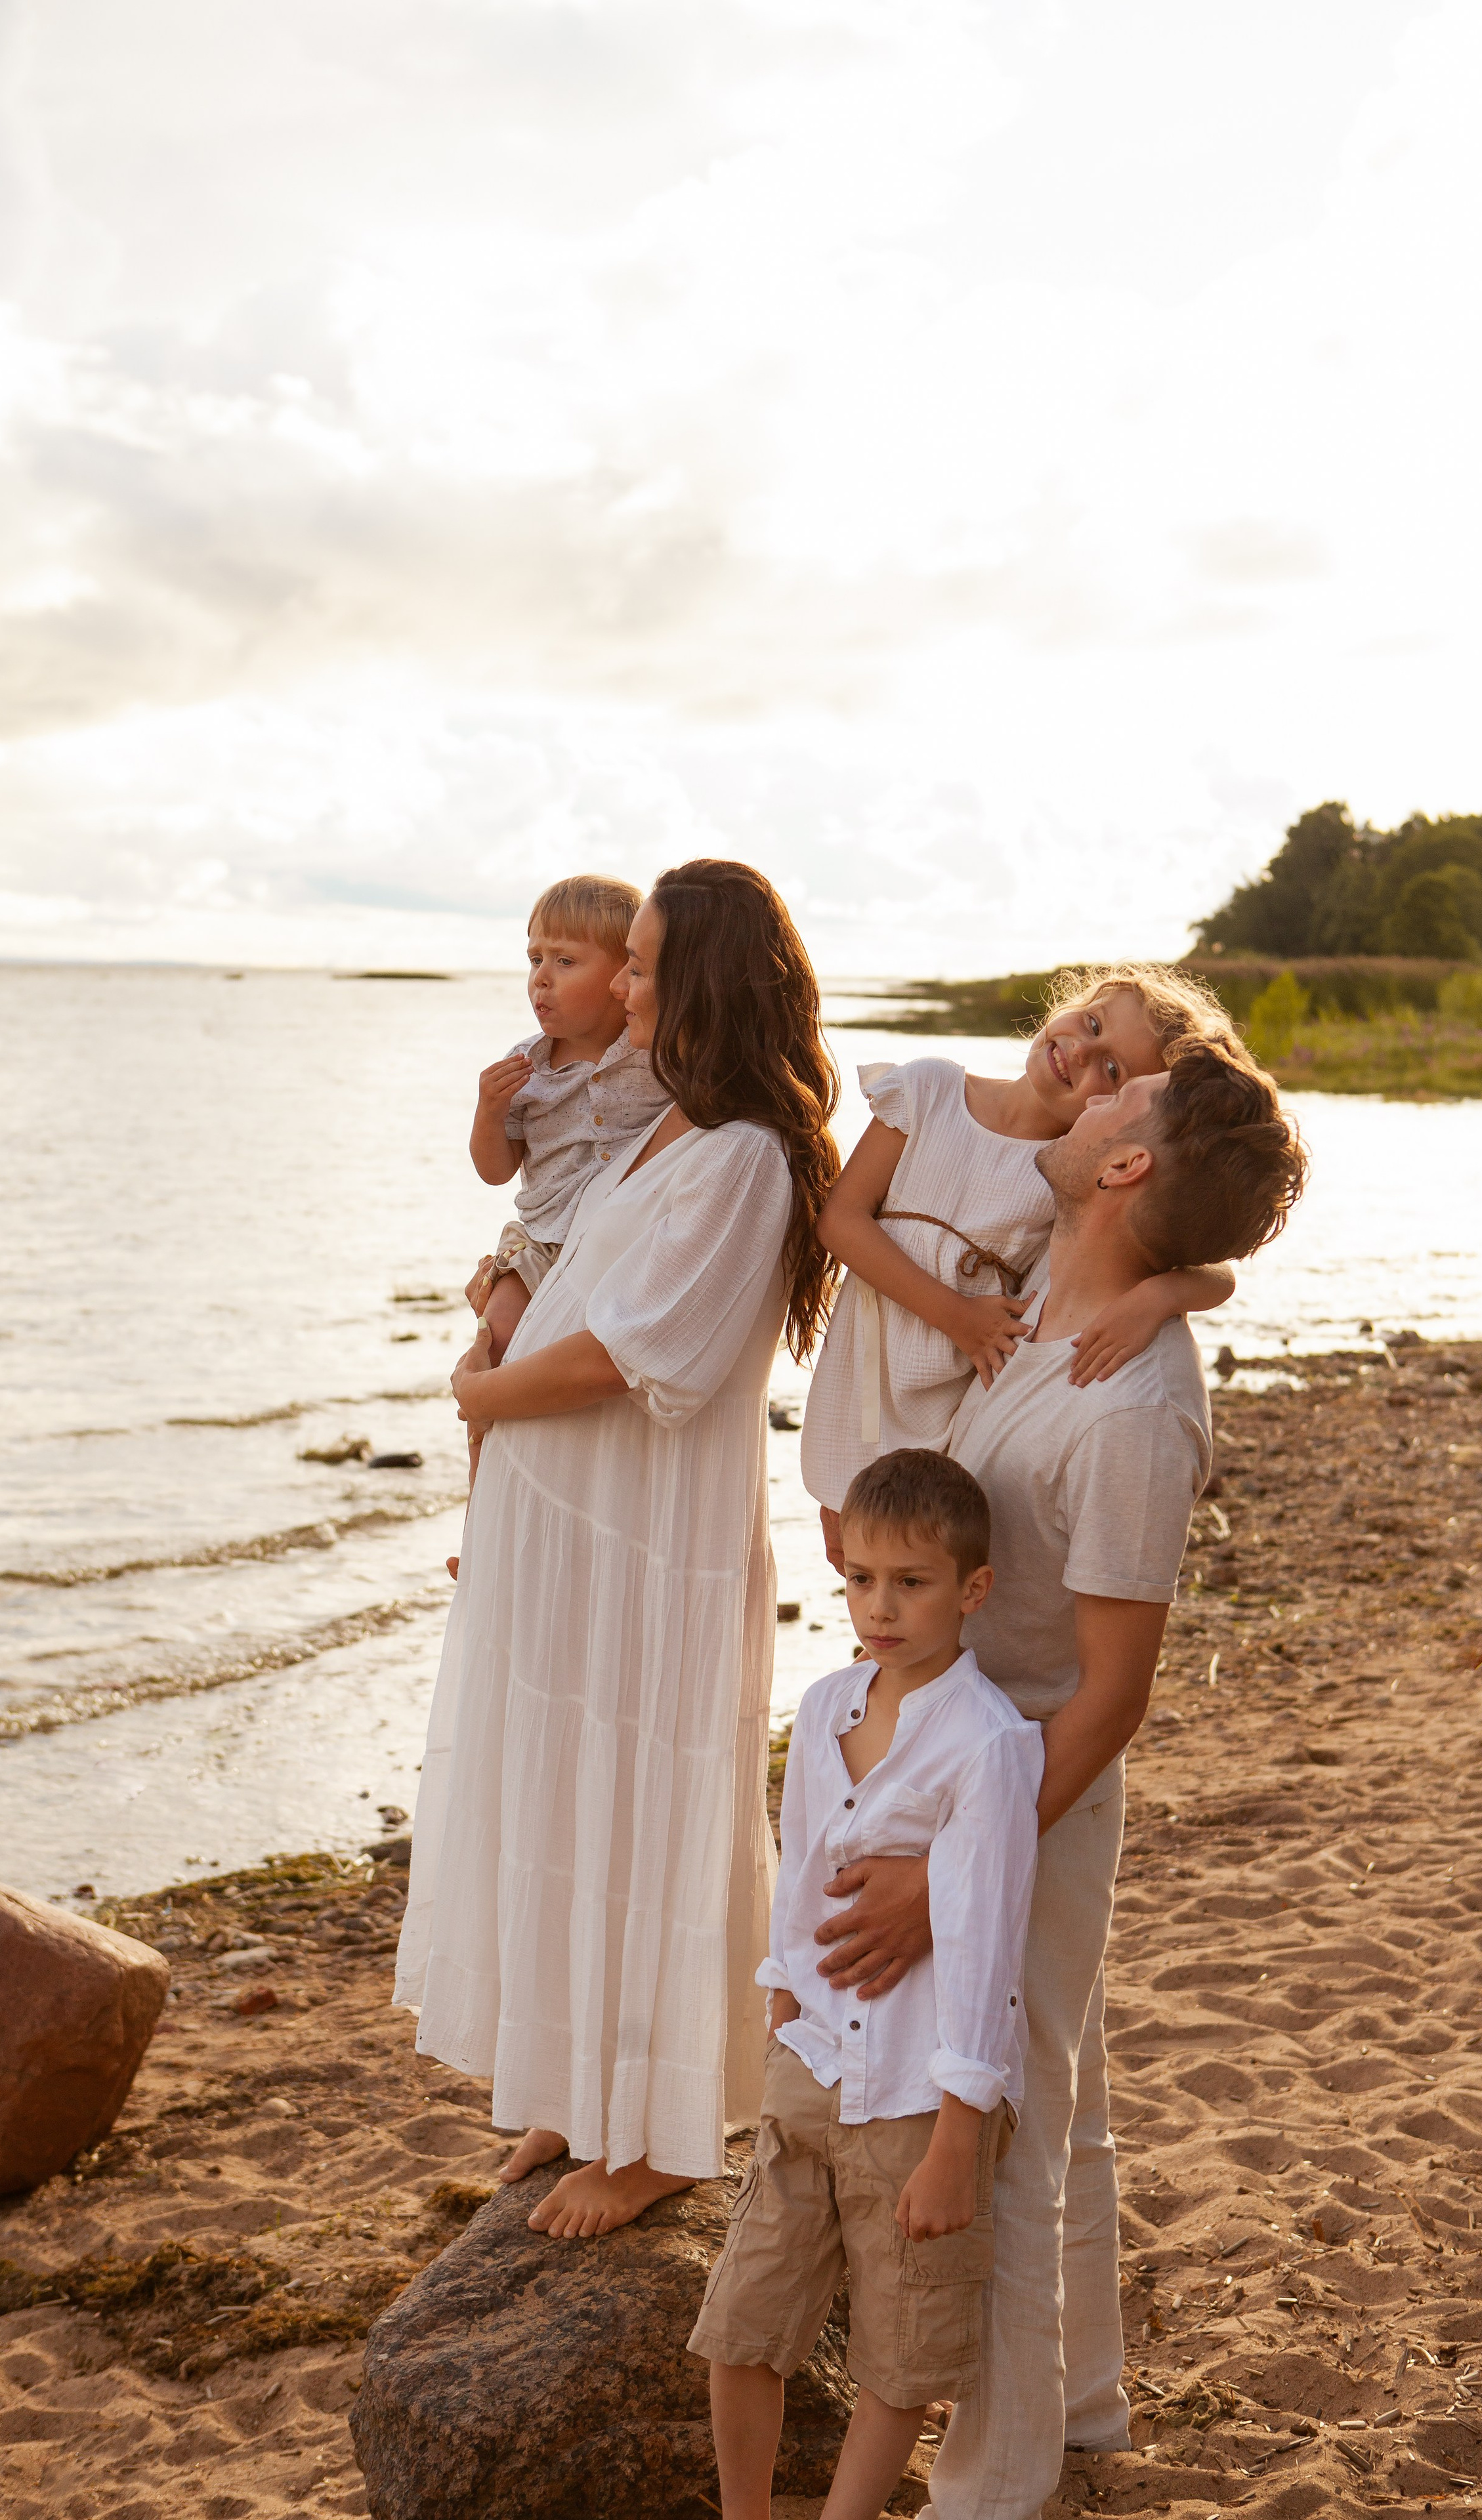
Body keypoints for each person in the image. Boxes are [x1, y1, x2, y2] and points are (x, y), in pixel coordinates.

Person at [807, 1036, 1307, 2519]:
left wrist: (944, 1872)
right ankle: (1079, 2404)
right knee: (1056, 2098)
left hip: (1023, 1794)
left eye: (1116, 1098)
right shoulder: (1048, 1315)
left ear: (1124, 1162)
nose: (1082, 1097)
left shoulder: (1132, 1409)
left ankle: (994, 2482)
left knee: (1005, 2130)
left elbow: (1113, 1694)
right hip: (961, 1774)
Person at [395, 860, 840, 2240]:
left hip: (641, 1553)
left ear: (699, 979)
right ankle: (583, 2093)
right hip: (568, 1544)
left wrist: (478, 1395)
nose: (623, 985)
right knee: (563, 1807)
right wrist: (494, 1313)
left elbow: (634, 1354)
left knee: (646, 1817)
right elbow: (564, 1270)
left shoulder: (746, 1156)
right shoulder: (661, 1130)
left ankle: (654, 2141)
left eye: (642, 964)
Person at [690, 1450, 1045, 2520]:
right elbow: (800, 1868)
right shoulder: (828, 1702)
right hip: (812, 2072)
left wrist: (953, 2141)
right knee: (742, 2323)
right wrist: (782, 2005)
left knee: (901, 2355)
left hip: (914, 2096)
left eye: (912, 1583)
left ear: (971, 1590)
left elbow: (984, 1946)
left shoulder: (989, 1744)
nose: (881, 1607)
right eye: (861, 1580)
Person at [802, 967, 1240, 1572]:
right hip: (866, 1387)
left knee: (921, 1571)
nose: (1081, 1051)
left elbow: (1216, 1273)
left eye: (1111, 1071)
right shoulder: (930, 1094)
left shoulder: (1071, 1171)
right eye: (1091, 1023)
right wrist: (958, 1317)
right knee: (856, 1563)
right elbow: (841, 1222)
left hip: (955, 1414)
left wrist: (1159, 1296)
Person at [465, 873, 671, 1365]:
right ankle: (481, 1438)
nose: (541, 977)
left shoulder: (655, 1057)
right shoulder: (525, 1064)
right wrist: (489, 1112)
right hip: (542, 1243)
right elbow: (496, 1171)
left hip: (626, 1244)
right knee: (495, 1342)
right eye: (535, 959)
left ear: (626, 974)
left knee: (598, 1354)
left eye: (565, 961)